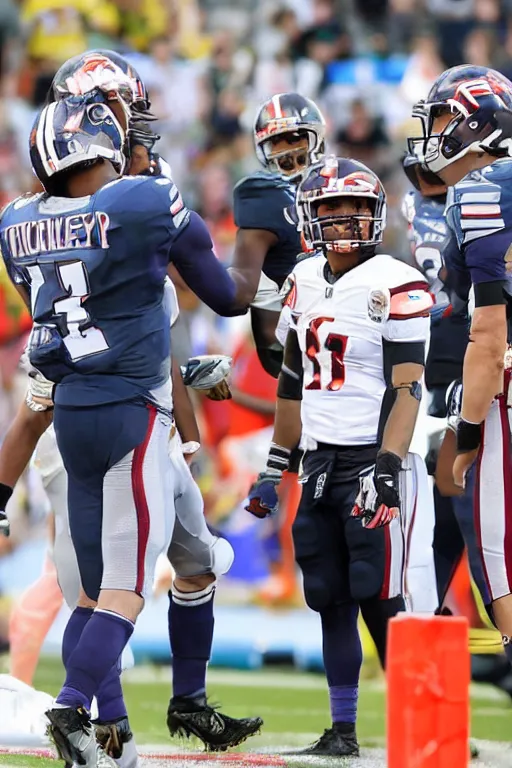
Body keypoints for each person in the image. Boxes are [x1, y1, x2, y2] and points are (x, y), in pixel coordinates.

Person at [1, 49, 263, 756]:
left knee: (184, 563)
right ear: (94, 122)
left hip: (82, 399)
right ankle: (80, 711)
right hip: (120, 411)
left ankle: (175, 706)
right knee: (116, 589)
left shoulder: (20, 219)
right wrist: (263, 244)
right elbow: (225, 294)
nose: (132, 123)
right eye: (118, 110)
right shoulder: (144, 201)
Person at [246, 155, 432, 756]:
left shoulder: (396, 280)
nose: (344, 218)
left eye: (354, 208)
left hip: (373, 457)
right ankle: (343, 730)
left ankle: (419, 726)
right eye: (330, 208)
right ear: (310, 216)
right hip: (320, 462)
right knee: (328, 592)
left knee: (380, 593)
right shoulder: (301, 279)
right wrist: (277, 465)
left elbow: (408, 384)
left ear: (375, 215)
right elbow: (293, 381)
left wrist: (388, 464)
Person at [407, 63, 512, 669]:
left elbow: (490, 333)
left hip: (501, 386)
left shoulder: (481, 190)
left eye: (444, 118)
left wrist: (467, 432)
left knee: (496, 554)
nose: (436, 131)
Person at [231, 92, 325, 377]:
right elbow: (268, 337)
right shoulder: (262, 198)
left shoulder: (340, 182)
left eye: (296, 138)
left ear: (315, 137)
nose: (287, 151)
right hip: (299, 335)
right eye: (277, 143)